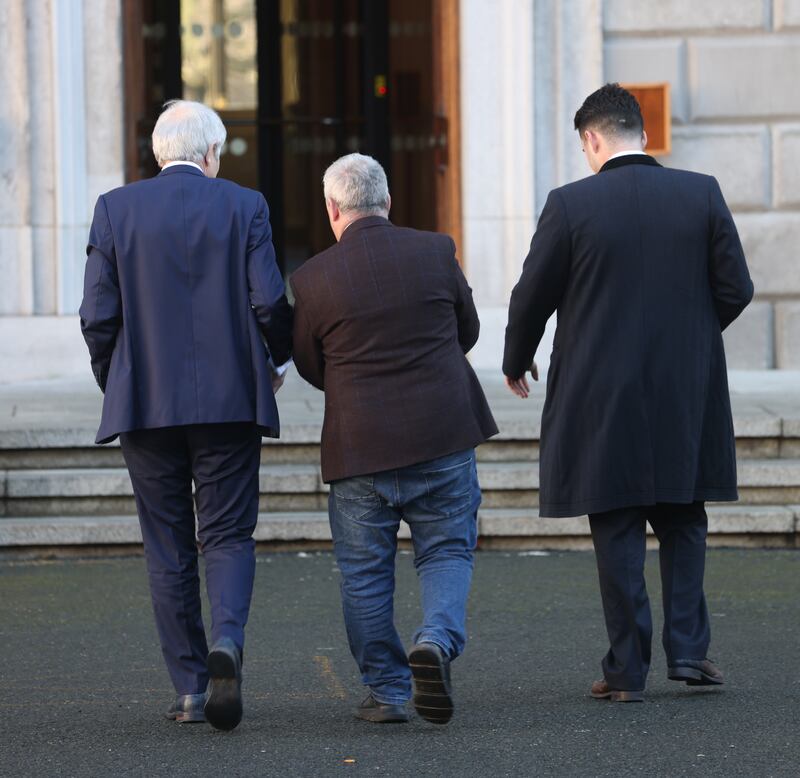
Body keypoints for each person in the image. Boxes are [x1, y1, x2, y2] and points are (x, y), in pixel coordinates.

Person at [502, 84, 753, 702]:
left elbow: (531, 294)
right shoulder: (701, 193)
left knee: (615, 524)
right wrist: (692, 333)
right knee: (683, 516)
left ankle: (627, 669)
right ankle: (690, 653)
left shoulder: (570, 205)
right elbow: (737, 288)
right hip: (683, 387)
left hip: (599, 390)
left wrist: (517, 357)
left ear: (592, 139)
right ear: (641, 132)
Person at [79, 100, 292, 730]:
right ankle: (227, 639)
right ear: (209, 155)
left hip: (144, 402)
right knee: (227, 534)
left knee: (167, 542)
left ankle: (193, 688)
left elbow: (97, 314)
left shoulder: (115, 209)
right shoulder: (245, 205)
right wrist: (274, 362)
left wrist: (113, 379)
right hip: (229, 402)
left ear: (157, 153)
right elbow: (271, 301)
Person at [291, 153, 497, 724]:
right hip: (443, 433)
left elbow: (311, 364)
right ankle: (434, 639)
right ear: (387, 200)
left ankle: (387, 691)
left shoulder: (311, 279)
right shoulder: (435, 251)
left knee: (364, 573)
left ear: (333, 209)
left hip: (359, 447)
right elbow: (469, 330)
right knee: (448, 550)